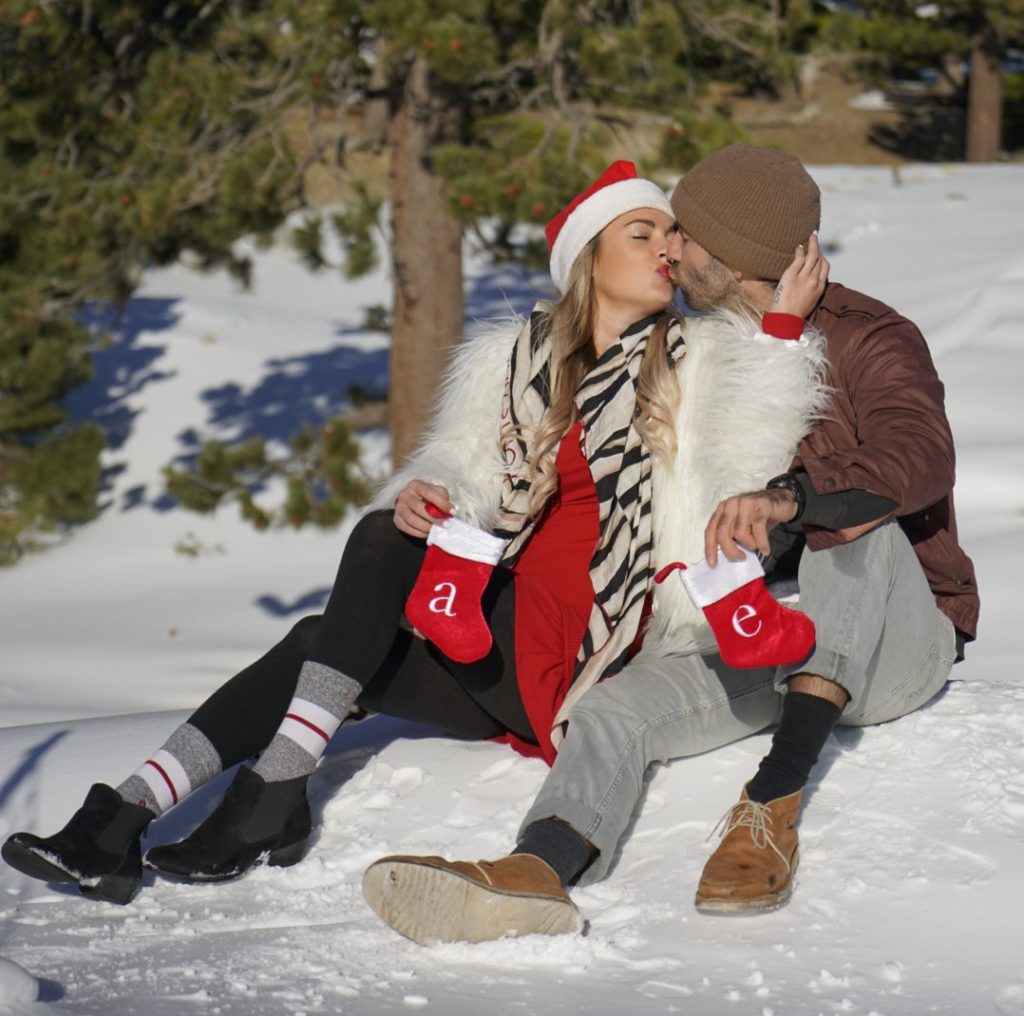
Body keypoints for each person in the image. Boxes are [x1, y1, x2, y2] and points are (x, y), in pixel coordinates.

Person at [2, 160, 827, 915]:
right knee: (339, 606)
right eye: (641, 233)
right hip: (489, 626)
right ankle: (127, 814)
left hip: (584, 645)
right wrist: (431, 495)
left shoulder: (696, 361)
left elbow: (741, 475)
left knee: (357, 582)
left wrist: (782, 337)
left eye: (669, 237)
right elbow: (464, 474)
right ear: (587, 260)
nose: (667, 250)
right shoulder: (514, 362)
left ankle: (270, 798)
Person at [363, 144, 978, 943]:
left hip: (896, 638)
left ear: (729, 256)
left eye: (684, 233)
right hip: (760, 638)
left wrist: (794, 497)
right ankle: (538, 868)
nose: (670, 247)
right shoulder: (692, 343)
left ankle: (770, 805)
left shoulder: (868, 337)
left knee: (849, 526)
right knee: (618, 708)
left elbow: (920, 455)